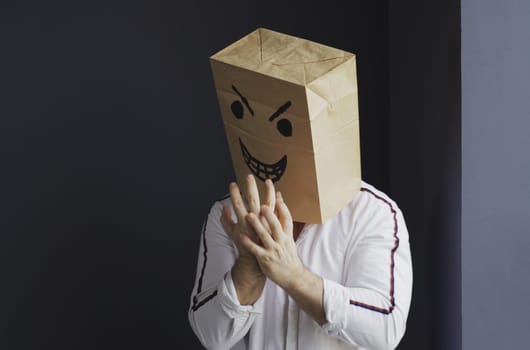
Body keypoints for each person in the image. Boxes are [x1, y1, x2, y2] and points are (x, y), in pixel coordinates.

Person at [188, 174, 413, 349]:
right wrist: (248, 266)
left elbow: (386, 328)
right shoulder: (230, 215)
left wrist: (296, 278)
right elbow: (212, 336)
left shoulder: (373, 212)